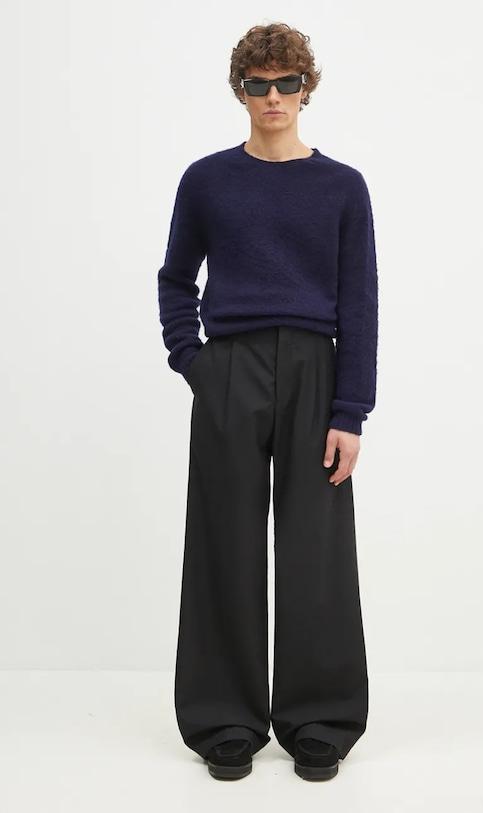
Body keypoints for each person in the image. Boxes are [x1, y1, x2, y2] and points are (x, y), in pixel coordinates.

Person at [157, 22, 378, 782]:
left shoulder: (342, 187)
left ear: (306, 89)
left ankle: (319, 719)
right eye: (259, 84)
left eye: (287, 83)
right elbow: (175, 278)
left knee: (317, 547)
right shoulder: (207, 180)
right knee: (223, 539)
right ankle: (225, 719)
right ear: (241, 91)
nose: (274, 97)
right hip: (230, 368)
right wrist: (194, 362)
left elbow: (359, 301)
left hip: (316, 371)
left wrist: (350, 411)